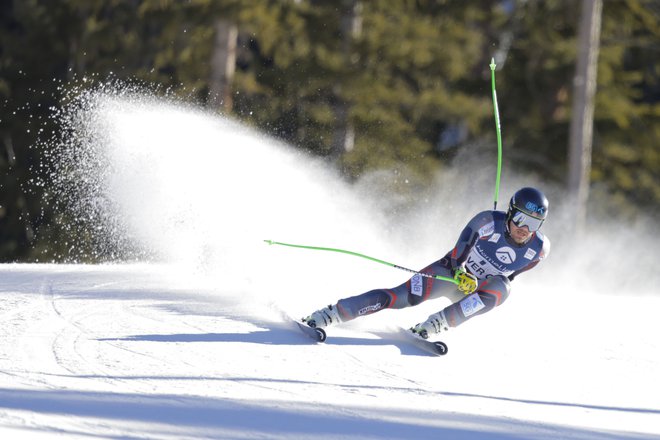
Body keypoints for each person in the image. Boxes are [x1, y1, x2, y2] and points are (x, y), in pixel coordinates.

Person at [303, 187, 551, 339]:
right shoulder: (488, 221)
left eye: (534, 224)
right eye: (521, 219)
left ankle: (436, 324)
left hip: (473, 292)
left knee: (503, 289)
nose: (525, 229)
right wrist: (459, 271)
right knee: (399, 297)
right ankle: (331, 314)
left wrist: (479, 284)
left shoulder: (539, 250)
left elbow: (509, 276)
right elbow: (459, 251)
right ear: (510, 212)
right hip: (448, 275)